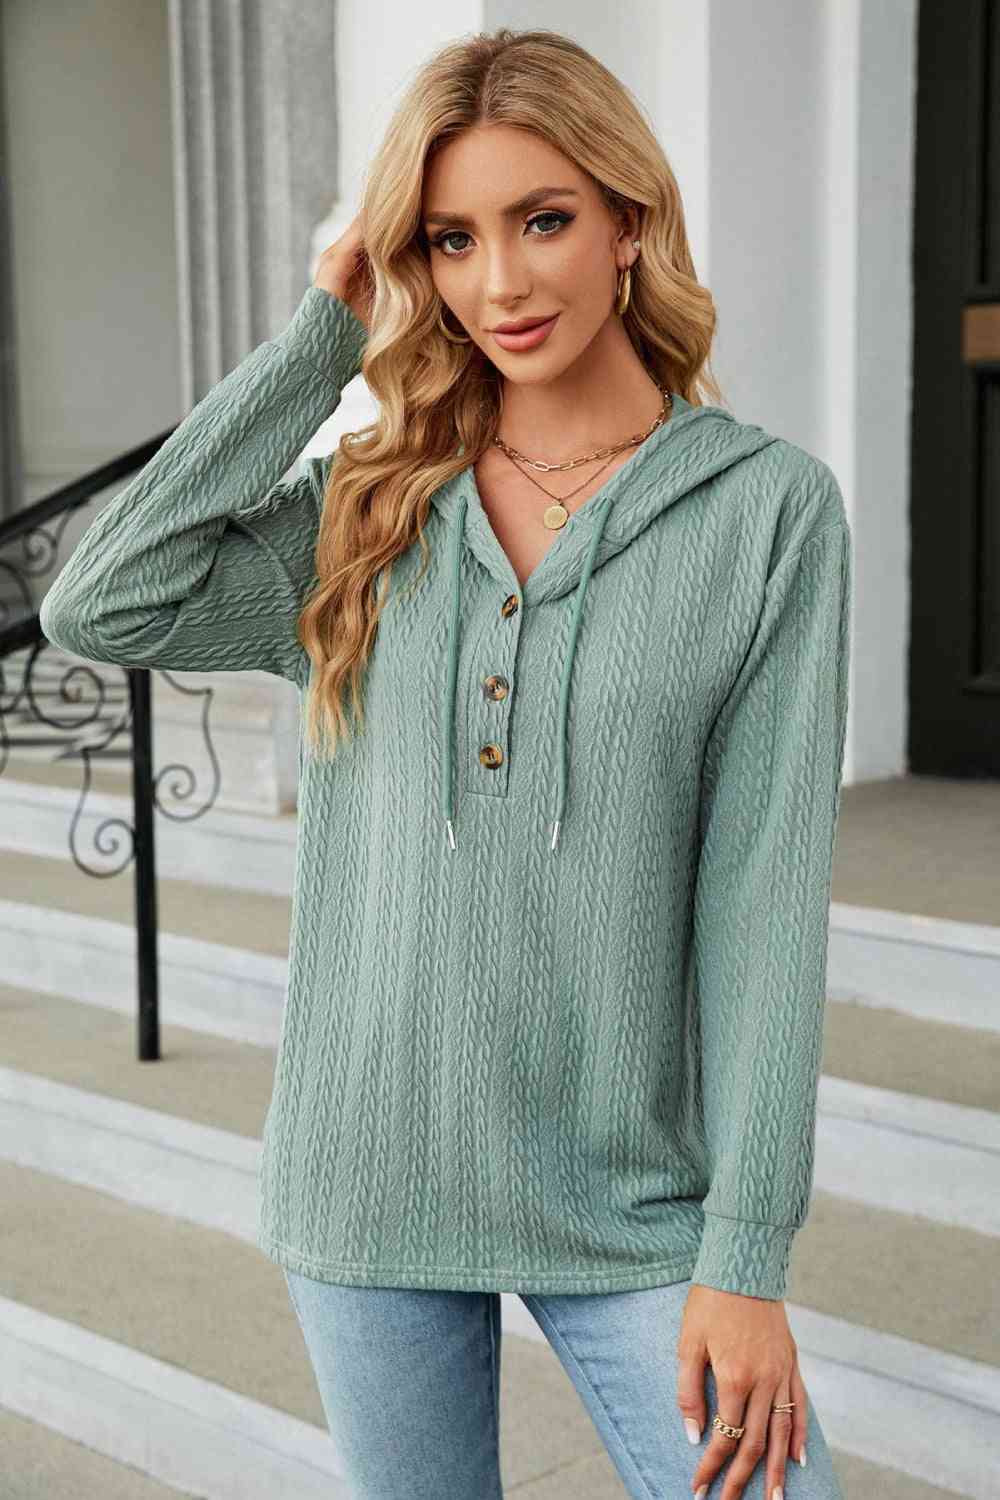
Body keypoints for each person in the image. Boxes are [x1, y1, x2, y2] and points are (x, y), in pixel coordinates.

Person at [38, 25, 851, 1500]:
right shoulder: (368, 506)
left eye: (543, 219)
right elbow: (102, 600)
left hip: (634, 1200)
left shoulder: (767, 515)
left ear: (628, 221)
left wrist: (747, 1256)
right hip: (369, 1176)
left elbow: (764, 908)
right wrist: (323, 335)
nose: (501, 284)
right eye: (451, 239)